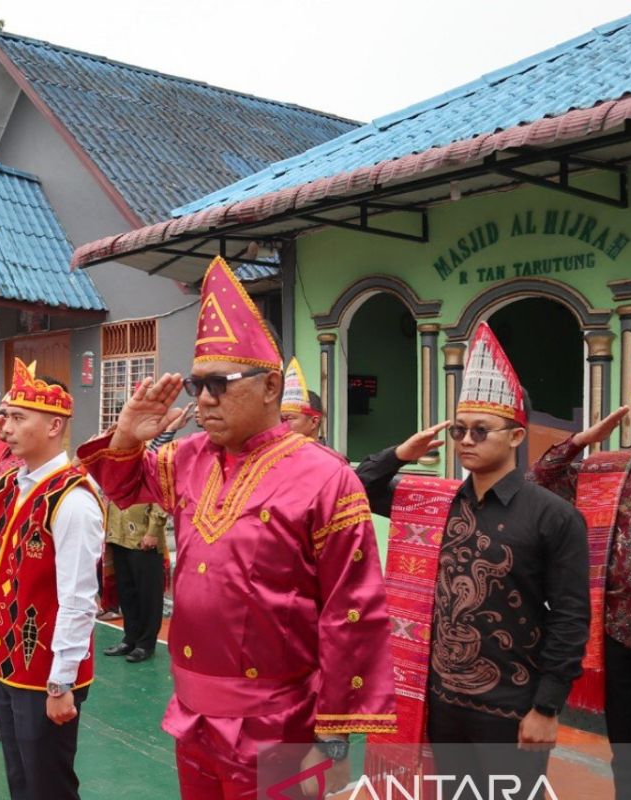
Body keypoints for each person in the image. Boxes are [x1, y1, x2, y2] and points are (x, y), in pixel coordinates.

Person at [76, 256, 396, 799]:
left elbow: (352, 615)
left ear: (271, 387)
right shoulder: (188, 458)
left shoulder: (327, 479)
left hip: (281, 726)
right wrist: (127, 436)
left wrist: (335, 740)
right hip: (192, 715)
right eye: (198, 385)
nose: (203, 399)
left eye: (219, 384)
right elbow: (123, 487)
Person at [358, 322, 590, 797]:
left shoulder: (554, 516)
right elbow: (358, 489)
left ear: (515, 436)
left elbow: (570, 618)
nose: (466, 439)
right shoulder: (436, 502)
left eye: (481, 430)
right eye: (460, 429)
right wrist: (401, 454)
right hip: (442, 700)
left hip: (512, 705)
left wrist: (547, 709)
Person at [0, 359, 104, 800]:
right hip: (9, 661)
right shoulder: (9, 486)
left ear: (53, 426)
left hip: (47, 670)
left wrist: (61, 682)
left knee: (49, 784)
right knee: (20, 780)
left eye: (16, 417)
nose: (4, 428)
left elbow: (78, 600)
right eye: (5, 417)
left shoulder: (73, 500)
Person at [528, 324, 631, 800]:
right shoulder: (611, 470)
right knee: (628, 756)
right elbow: (543, 481)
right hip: (618, 637)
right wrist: (582, 440)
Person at [102, 500, 168, 664]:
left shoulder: (152, 472)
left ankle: (146, 643)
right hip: (118, 534)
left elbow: (161, 498)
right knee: (126, 592)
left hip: (143, 535)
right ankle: (130, 639)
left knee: (148, 593)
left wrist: (153, 531)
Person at [279, 357, 324, 441]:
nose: (283, 425)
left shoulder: (326, 454)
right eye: (281, 420)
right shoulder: (279, 453)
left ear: (314, 422)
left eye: (289, 419)